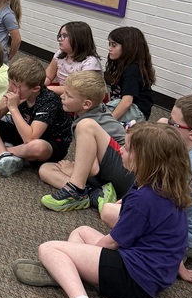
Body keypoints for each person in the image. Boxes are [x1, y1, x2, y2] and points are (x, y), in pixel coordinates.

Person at [13, 123, 192, 298]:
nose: (121, 151)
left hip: (135, 279)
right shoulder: (163, 187)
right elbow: (173, 239)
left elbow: (111, 243)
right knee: (81, 231)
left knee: (49, 249)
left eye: (126, 148)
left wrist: (89, 257)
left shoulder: (144, 199)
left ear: (145, 159)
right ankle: (66, 271)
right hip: (149, 272)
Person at [101, 94, 192, 280]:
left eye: (173, 124)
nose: (167, 124)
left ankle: (169, 254)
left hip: (186, 241)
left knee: (108, 210)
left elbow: (172, 217)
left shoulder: (184, 166)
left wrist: (176, 261)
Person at [38, 71, 134, 211]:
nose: (62, 97)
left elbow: (93, 169)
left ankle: (75, 191)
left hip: (127, 171)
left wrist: (72, 169)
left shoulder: (86, 122)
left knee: (86, 126)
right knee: (45, 169)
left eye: (68, 95)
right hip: (109, 173)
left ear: (86, 104)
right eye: (64, 92)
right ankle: (94, 194)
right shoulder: (94, 111)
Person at [0, 55, 71, 177]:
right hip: (22, 132)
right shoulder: (17, 93)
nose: (10, 88)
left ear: (35, 89)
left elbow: (31, 139)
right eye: (9, 82)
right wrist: (2, 104)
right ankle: (4, 155)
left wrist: (13, 108)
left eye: (16, 85)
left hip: (49, 143)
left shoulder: (49, 100)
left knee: (37, 147)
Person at [104, 26, 155, 123]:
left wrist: (109, 122)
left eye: (114, 45)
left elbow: (127, 101)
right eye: (109, 44)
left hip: (137, 111)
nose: (109, 48)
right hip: (125, 105)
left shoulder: (132, 70)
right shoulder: (121, 64)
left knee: (100, 120)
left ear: (128, 47)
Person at [44, 21, 101, 95]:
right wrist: (38, 85)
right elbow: (48, 76)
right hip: (64, 90)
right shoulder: (60, 53)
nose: (59, 39)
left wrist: (46, 89)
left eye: (64, 36)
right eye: (60, 35)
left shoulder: (90, 63)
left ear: (78, 39)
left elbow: (79, 90)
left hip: (81, 95)